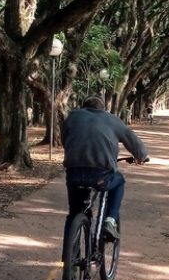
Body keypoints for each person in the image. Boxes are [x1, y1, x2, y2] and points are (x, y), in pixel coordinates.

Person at [61, 94, 148, 240]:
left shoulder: (72, 117)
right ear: (103, 109)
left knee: (74, 213)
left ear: (83, 107)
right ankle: (110, 220)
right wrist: (142, 157)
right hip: (101, 176)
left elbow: (65, 140)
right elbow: (135, 145)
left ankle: (69, 258)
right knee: (119, 180)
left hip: (73, 173)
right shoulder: (113, 120)